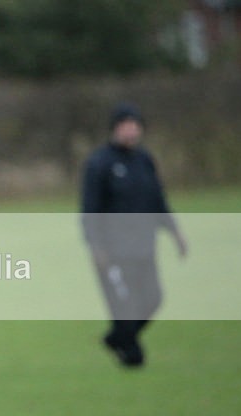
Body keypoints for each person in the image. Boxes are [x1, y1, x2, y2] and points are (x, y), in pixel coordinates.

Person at [80, 102, 187, 367]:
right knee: (124, 306)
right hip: (113, 251)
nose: (131, 131)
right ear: (115, 129)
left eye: (135, 125)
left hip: (143, 246)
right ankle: (129, 352)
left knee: (153, 298)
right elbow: (90, 210)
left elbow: (157, 200)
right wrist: (96, 248)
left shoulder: (144, 160)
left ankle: (117, 339)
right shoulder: (99, 164)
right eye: (126, 125)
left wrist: (175, 233)